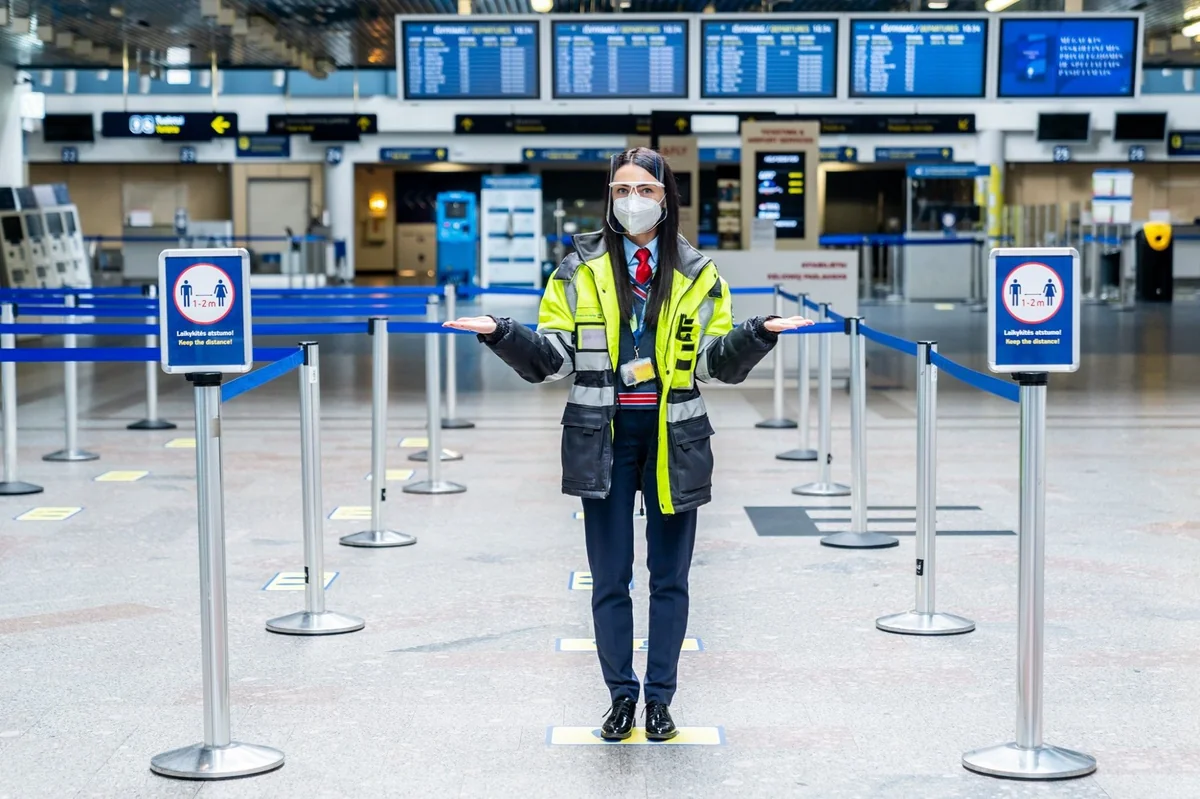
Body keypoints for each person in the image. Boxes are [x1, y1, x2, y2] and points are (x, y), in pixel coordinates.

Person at [446, 148, 812, 741]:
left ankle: (661, 699)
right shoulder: (577, 270)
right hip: (603, 438)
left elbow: (718, 364)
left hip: (674, 440)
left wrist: (757, 334)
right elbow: (553, 361)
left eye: (643, 189)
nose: (631, 200)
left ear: (665, 198)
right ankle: (620, 696)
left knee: (670, 578)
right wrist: (503, 334)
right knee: (611, 576)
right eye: (620, 190)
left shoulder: (699, 273)